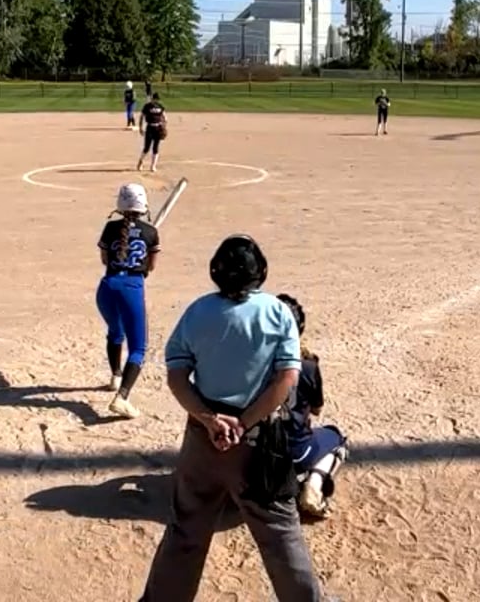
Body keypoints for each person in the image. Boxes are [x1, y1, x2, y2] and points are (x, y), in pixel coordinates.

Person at [139, 235, 324, 602]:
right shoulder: (277, 312)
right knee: (280, 533)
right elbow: (286, 379)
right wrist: (245, 422)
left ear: (216, 272)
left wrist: (209, 419)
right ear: (261, 272)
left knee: (187, 528)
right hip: (259, 441)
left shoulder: (198, 311)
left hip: (203, 440)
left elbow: (177, 377)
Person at [275, 293, 348, 520]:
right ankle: (314, 484)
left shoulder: (250, 363)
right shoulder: (307, 366)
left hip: (252, 454)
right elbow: (316, 409)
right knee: (336, 438)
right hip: (297, 452)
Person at [97, 182, 160, 420]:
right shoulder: (150, 232)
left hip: (107, 287)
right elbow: (151, 267)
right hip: (131, 288)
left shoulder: (110, 228)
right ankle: (122, 398)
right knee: (138, 348)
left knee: (115, 331)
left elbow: (105, 259)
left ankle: (116, 376)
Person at [137, 92, 168, 173]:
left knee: (156, 147)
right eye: (155, 99)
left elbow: (165, 117)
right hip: (150, 128)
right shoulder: (147, 106)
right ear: (152, 99)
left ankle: (153, 165)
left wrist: (164, 127)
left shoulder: (160, 106)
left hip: (158, 128)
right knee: (147, 148)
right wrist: (140, 128)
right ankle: (141, 161)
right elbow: (142, 117)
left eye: (157, 99)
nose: (156, 101)